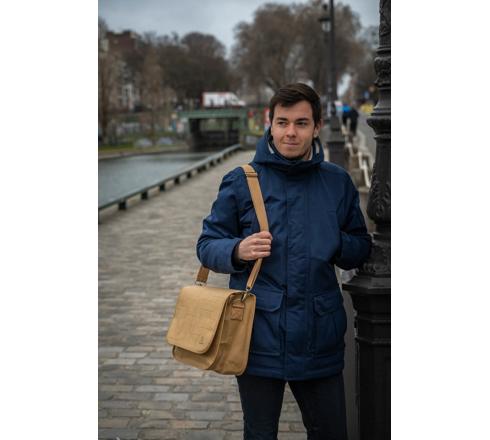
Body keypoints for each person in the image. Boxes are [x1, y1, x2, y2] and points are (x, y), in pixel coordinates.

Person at [196, 83, 371, 440]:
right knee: (259, 434)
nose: (291, 132)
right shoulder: (241, 181)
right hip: (257, 338)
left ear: (317, 126)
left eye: (301, 123)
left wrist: (334, 240)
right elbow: (207, 245)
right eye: (283, 122)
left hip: (319, 338)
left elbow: (360, 247)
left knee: (331, 433)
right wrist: (237, 250)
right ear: (270, 123)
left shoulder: (337, 182)